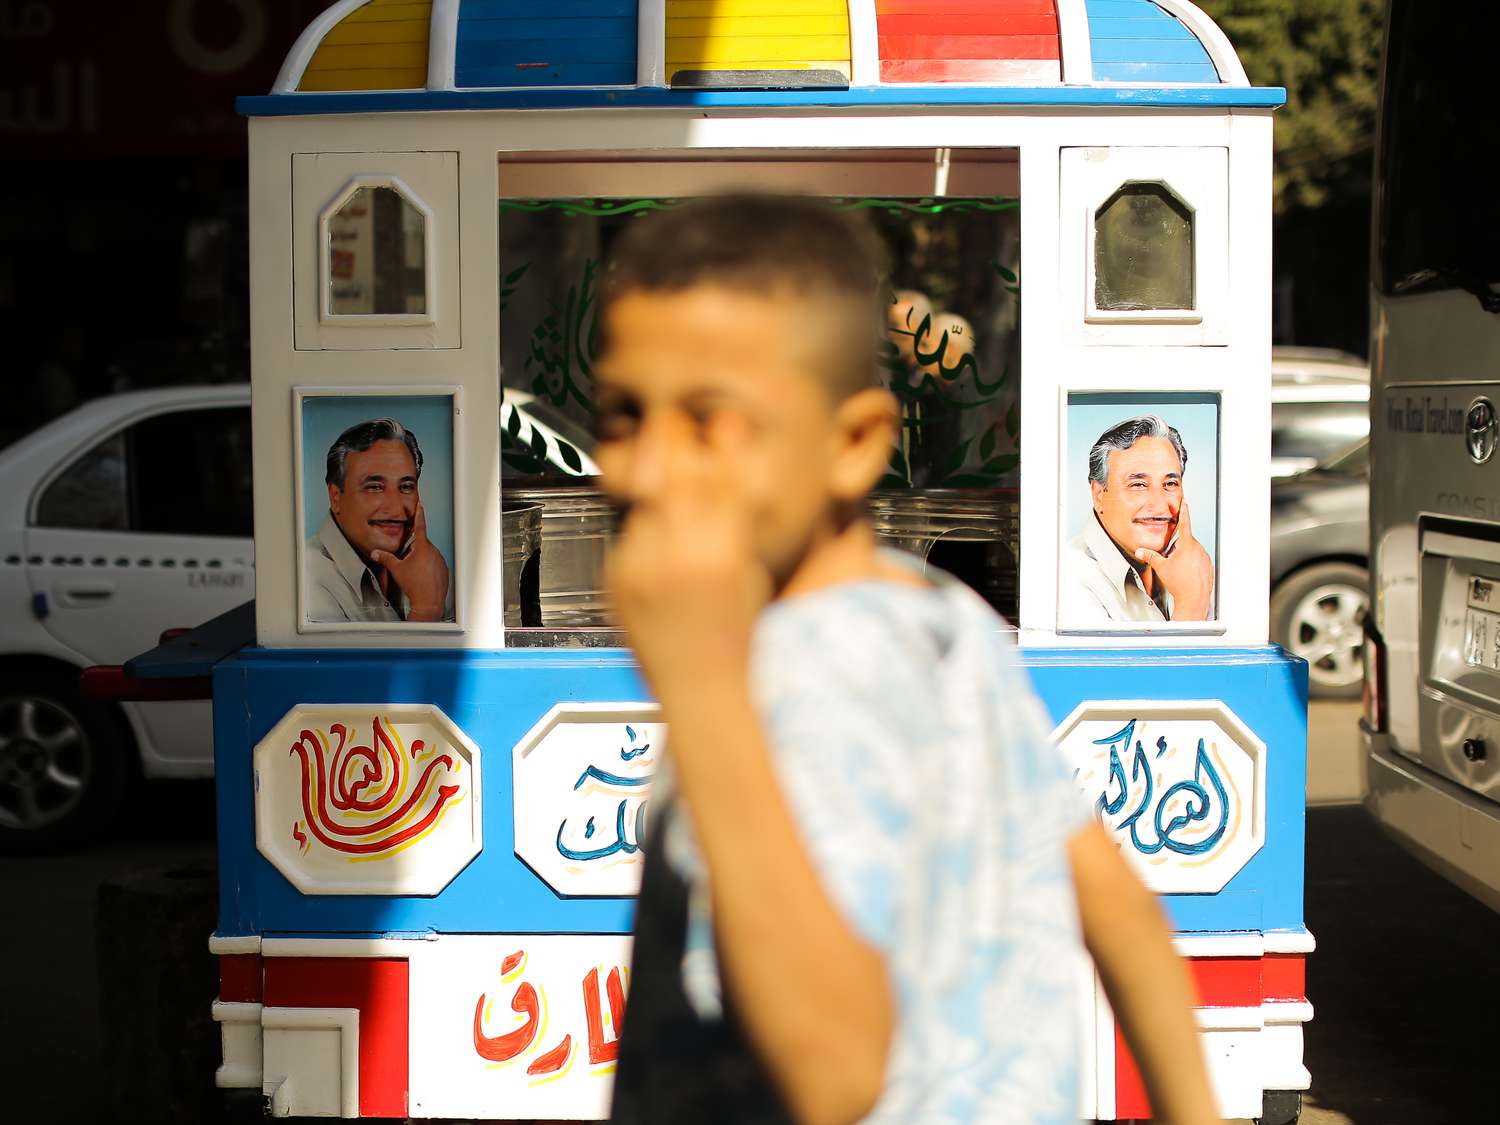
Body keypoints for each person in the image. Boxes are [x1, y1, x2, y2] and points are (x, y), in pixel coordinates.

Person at [594, 194, 1217, 1124]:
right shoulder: (932, 612)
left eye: (710, 421)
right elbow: (1120, 911)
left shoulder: (771, 679)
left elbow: (839, 1069)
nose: (642, 469)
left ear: (854, 445)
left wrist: (698, 685)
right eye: (622, 415)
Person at [1063, 415, 1215, 625]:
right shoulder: (1066, 581)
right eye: (1138, 485)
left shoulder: (1193, 565)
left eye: (1170, 483)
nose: (1159, 504)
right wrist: (1191, 605)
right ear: (1099, 494)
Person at [304, 417, 453, 623]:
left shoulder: (427, 564)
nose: (394, 507)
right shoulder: (306, 578)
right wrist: (426, 610)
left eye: (406, 486)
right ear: (336, 497)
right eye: (374, 487)